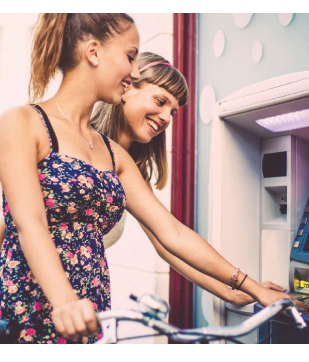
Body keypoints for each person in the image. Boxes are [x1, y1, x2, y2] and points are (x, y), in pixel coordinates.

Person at [0, 13, 309, 345]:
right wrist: (64, 299)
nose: (134, 71)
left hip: (87, 315)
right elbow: (28, 222)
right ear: (93, 52)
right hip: (30, 309)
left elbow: (172, 235)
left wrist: (247, 288)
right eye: (130, 57)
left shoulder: (115, 157)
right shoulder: (23, 121)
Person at [90, 51, 288, 306]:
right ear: (127, 88)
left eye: (172, 112)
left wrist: (231, 291)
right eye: (161, 102)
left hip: (87, 298)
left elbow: (170, 241)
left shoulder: (130, 168)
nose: (165, 118)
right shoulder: (81, 145)